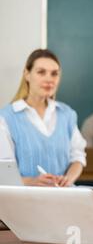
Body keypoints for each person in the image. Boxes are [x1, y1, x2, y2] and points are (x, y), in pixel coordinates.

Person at [0, 49, 86, 186]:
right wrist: (31, 182)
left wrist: (68, 179)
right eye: (41, 72)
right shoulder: (6, 118)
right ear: (27, 75)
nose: (49, 79)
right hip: (23, 201)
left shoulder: (67, 114)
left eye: (54, 74)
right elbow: (4, 172)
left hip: (63, 198)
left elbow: (78, 157)